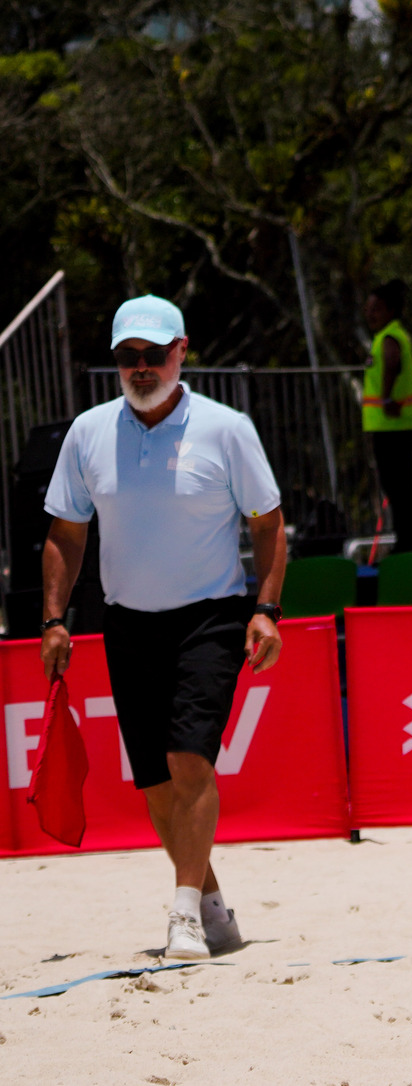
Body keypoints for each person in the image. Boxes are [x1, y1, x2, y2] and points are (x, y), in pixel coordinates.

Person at [39, 295, 287, 961]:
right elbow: (65, 532)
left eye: (154, 353)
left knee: (188, 761)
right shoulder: (88, 432)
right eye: (129, 356)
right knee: (154, 783)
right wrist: (54, 619)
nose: (142, 367)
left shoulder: (226, 429)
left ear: (182, 351)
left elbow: (268, 525)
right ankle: (214, 910)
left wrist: (266, 610)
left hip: (210, 617)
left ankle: (183, 918)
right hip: (126, 623)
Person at [363, 280, 412, 554]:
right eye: (368, 309)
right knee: (401, 484)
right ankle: (409, 539)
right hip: (395, 425)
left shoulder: (390, 337)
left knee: (398, 485)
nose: (370, 314)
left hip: (393, 425)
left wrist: (387, 398)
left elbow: (391, 363)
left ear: (390, 310)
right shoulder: (391, 335)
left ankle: (409, 542)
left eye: (376, 309)